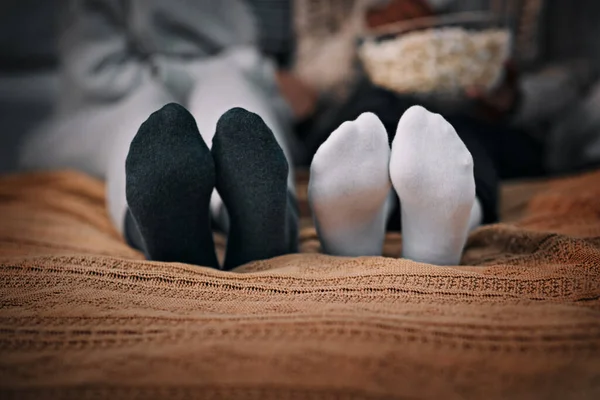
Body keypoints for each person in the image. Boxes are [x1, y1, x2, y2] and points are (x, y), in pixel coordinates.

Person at [18, 0, 313, 270]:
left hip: (217, 76)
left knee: (237, 110)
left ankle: (261, 222)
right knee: (147, 120)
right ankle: (171, 223)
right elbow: (97, 75)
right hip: (117, 96)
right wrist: (250, 72)